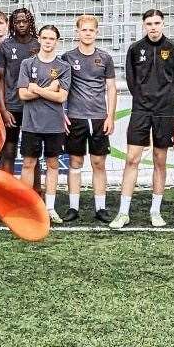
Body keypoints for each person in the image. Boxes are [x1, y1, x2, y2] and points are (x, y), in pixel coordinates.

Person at [113, 8, 174, 230]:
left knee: (159, 160)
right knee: (132, 159)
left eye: (157, 23)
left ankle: (155, 211)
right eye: (149, 24)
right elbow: (131, 79)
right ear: (144, 26)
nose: (153, 27)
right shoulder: (136, 49)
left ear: (163, 24)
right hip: (141, 110)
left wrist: (166, 99)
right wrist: (143, 98)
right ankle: (123, 212)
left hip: (164, 112)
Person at [63, 14, 118, 224]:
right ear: (77, 32)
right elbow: (61, 87)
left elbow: (111, 88)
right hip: (75, 117)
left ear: (97, 32)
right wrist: (62, 114)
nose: (87, 33)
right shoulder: (67, 57)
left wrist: (110, 116)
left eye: (91, 30)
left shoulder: (105, 58)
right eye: (83, 29)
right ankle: (73, 207)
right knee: (75, 162)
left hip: (98, 118)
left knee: (98, 163)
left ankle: (101, 208)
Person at [17, 24, 71, 224]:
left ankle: (50, 208)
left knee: (53, 164)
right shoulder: (27, 64)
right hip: (31, 123)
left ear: (57, 41)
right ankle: (25, 208)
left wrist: (37, 89)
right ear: (39, 39)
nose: (48, 42)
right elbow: (23, 94)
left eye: (52, 39)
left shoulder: (63, 67)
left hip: (54, 124)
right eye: (45, 38)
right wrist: (49, 88)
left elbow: (61, 98)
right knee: (28, 163)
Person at [0, 7, 39, 190]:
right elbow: (1, 80)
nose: (21, 24)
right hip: (12, 107)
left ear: (30, 22)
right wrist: (4, 109)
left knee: (33, 152)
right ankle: (6, 194)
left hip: (34, 107)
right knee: (9, 151)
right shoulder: (5, 46)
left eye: (25, 21)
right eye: (17, 21)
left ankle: (36, 193)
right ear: (12, 24)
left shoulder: (38, 44)